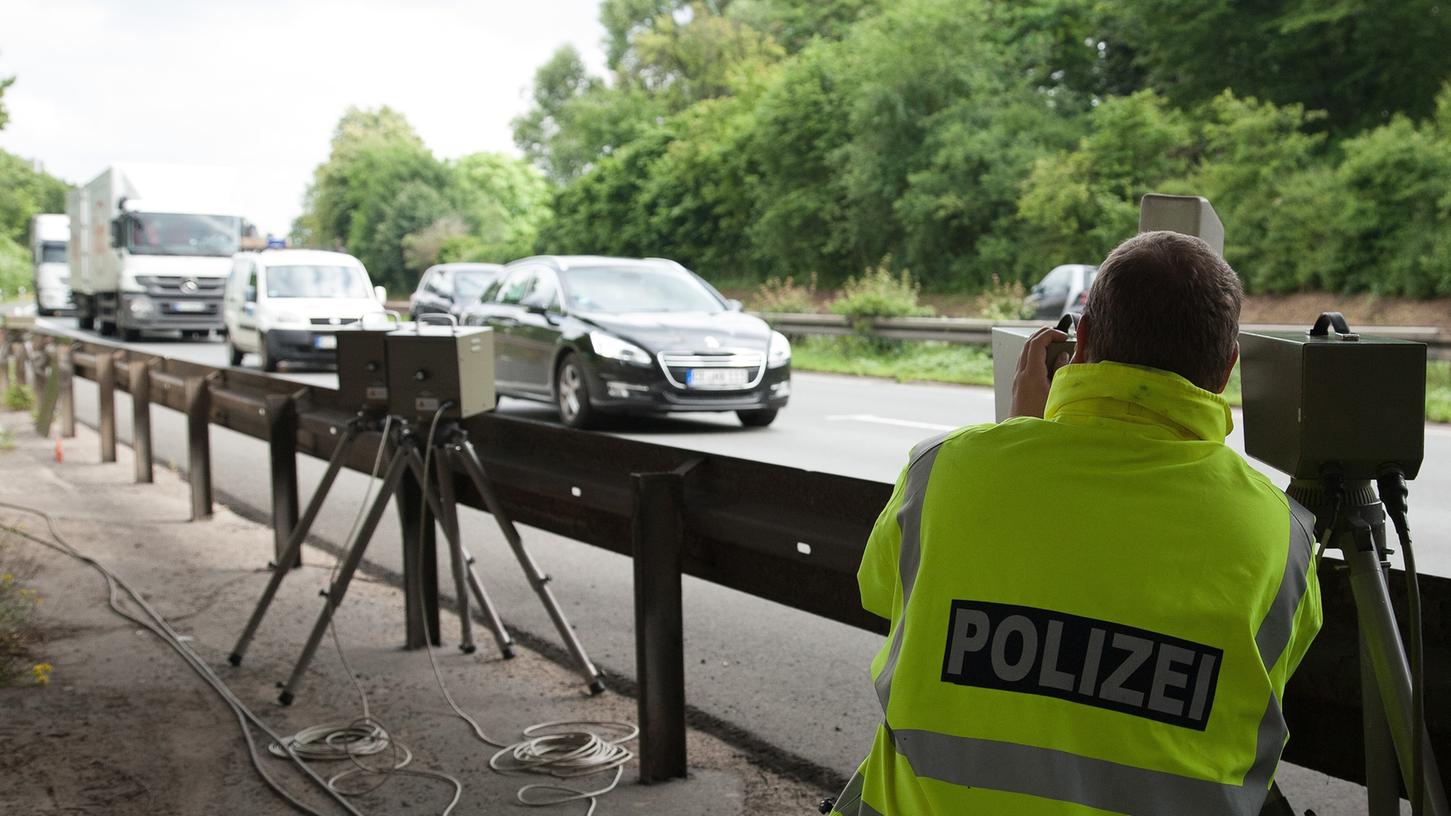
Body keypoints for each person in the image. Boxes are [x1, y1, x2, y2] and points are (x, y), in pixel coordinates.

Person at [828, 230, 1322, 816]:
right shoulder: (1280, 533)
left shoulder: (944, 470)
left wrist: (1019, 434)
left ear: (1080, 340)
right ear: (1226, 370)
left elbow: (884, 594)